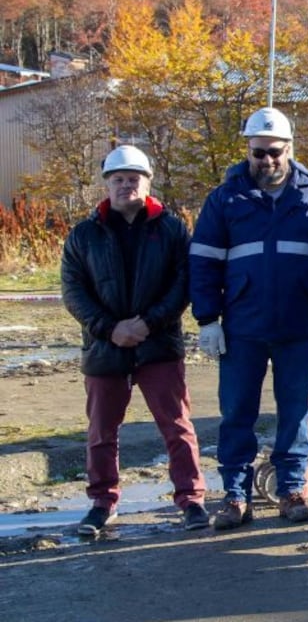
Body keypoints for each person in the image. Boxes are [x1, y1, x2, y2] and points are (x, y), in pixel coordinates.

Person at [189, 106, 308, 530]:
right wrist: (207, 320)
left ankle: (292, 490)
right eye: (258, 152)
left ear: (289, 148)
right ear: (248, 150)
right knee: (237, 411)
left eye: (274, 151)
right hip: (243, 327)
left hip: (299, 325)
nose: (267, 160)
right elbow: (202, 262)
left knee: (295, 410)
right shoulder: (225, 200)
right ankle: (236, 496)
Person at [61, 145, 208, 535]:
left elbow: (183, 283)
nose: (126, 185)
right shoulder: (84, 234)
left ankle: (191, 499)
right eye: (118, 179)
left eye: (133, 178)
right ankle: (101, 502)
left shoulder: (172, 229)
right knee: (101, 431)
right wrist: (111, 329)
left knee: (176, 426)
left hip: (158, 344)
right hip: (104, 347)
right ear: (107, 184)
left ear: (148, 182)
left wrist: (148, 323)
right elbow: (73, 291)